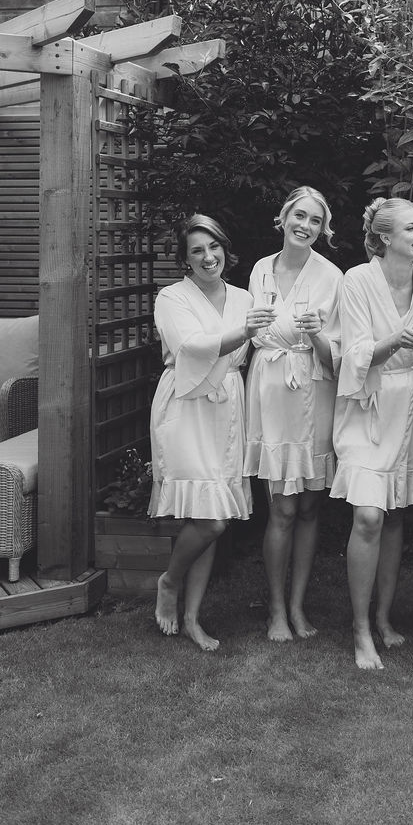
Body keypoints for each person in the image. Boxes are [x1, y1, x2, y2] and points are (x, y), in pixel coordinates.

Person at [331, 198, 413, 671]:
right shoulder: (356, 280)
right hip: (367, 405)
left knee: (395, 516)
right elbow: (355, 354)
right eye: (411, 228)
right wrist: (397, 340)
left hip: (411, 401)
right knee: (369, 516)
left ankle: (383, 617)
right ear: (385, 237)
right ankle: (359, 629)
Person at [150, 213, 265, 651]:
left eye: (213, 246)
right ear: (185, 258)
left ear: (224, 249)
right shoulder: (171, 297)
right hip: (186, 404)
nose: (207, 256)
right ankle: (169, 582)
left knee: (212, 512)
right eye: (196, 250)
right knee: (211, 520)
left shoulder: (244, 297)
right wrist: (245, 331)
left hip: (227, 405)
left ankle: (193, 619)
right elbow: (191, 347)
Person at [244, 187, 342, 641]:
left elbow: (336, 355)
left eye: (315, 220)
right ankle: (276, 610)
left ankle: (299, 606)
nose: (305, 226)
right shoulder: (261, 269)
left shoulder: (332, 276)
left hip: (313, 390)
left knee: (308, 506)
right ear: (284, 218)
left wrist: (318, 334)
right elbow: (251, 333)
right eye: (299, 216)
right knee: (281, 506)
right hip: (270, 389)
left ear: (323, 229)